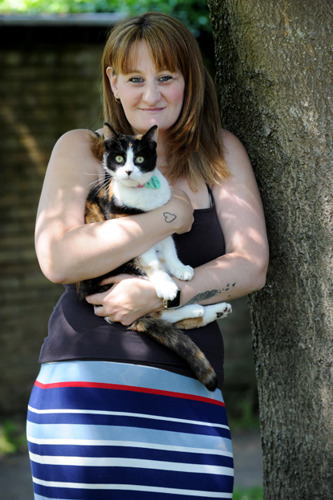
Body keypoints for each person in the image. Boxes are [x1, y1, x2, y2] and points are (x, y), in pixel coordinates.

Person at [27, 11, 269, 500]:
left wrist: (162, 292)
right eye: (135, 79)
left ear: (189, 80)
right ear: (113, 83)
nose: (151, 95)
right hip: (83, 398)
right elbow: (59, 259)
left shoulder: (220, 154)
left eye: (166, 77)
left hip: (189, 393)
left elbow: (252, 265)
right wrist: (169, 217)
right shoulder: (82, 150)